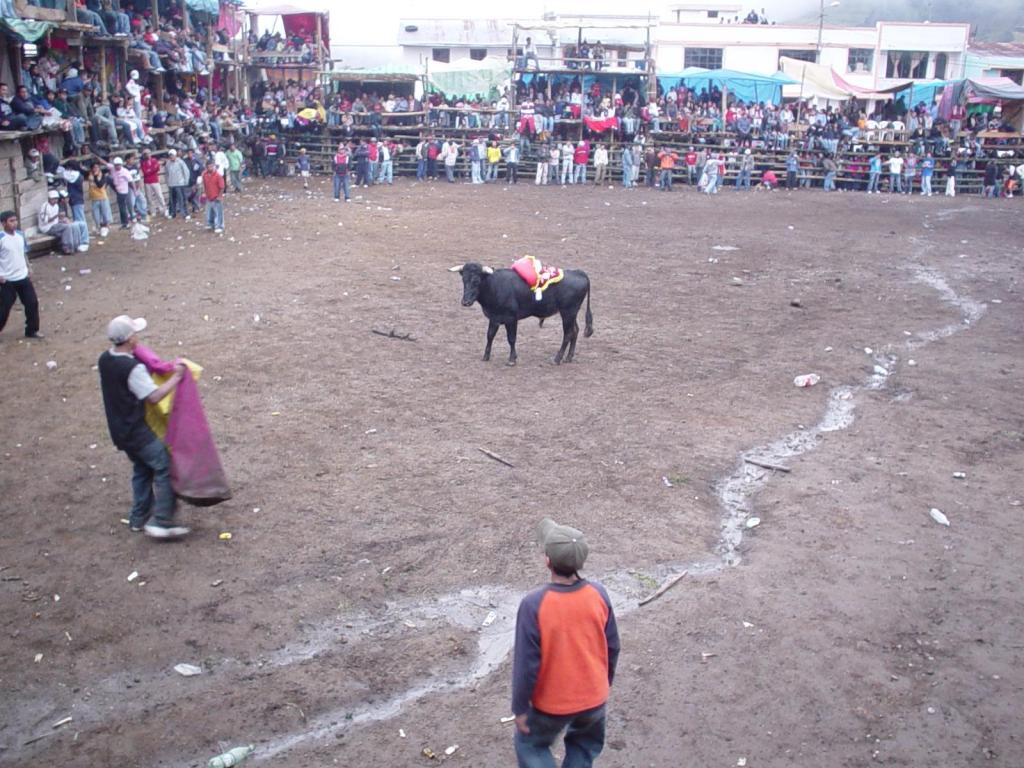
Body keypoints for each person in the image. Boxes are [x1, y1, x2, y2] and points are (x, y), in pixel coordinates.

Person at [512, 518, 620, 768]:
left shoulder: (533, 605)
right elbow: (613, 646)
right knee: (583, 747)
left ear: (547, 561)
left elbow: (526, 665)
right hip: (594, 699)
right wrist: (604, 684)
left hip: (552, 705)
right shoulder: (599, 594)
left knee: (531, 744)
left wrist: (519, 708)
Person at [98, 315, 189, 539]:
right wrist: (176, 377)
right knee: (164, 465)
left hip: (119, 430)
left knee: (142, 468)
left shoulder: (104, 360)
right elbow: (155, 396)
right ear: (130, 339)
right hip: (136, 430)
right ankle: (162, 520)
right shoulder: (132, 368)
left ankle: (138, 517)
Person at [0, 211, 42, 339]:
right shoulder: (1, 238)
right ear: (3, 223)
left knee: (32, 303)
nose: (14, 223)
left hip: (22, 276)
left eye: (15, 220)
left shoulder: (20, 235)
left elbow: (24, 253)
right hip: (7, 279)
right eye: (11, 221)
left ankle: (31, 330)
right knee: (4, 307)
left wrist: (29, 268)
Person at [140, 149, 168, 218]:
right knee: (149, 198)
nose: (147, 155)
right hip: (147, 182)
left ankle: (164, 209)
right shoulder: (143, 162)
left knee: (159, 196)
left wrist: (150, 170)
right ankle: (153, 211)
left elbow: (157, 168)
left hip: (155, 180)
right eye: (145, 154)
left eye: (148, 153)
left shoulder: (154, 160)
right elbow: (145, 172)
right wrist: (151, 170)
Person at [164, 149, 191, 219]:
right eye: (170, 155)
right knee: (172, 200)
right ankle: (172, 213)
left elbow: (186, 171)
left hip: (180, 183)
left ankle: (185, 213)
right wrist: (167, 182)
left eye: (172, 155)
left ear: (175, 155)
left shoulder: (180, 162)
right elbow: (166, 174)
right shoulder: (168, 164)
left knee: (182, 199)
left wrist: (186, 181)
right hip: (171, 184)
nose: (171, 157)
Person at [202, 158, 225, 234]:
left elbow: (222, 187)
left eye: (212, 166)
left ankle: (219, 226)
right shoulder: (205, 175)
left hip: (216, 196)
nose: (210, 168)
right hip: (209, 196)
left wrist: (219, 196)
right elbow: (205, 185)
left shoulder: (218, 175)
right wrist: (204, 193)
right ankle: (211, 224)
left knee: (218, 212)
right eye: (208, 167)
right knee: (209, 212)